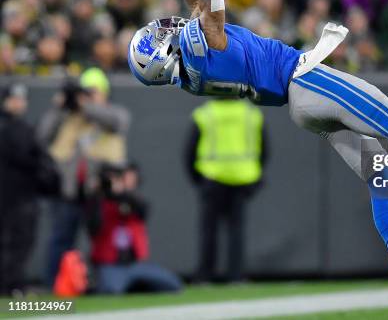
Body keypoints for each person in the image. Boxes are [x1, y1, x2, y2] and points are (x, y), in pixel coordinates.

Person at [124, 0, 388, 310]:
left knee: (379, 175)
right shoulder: (200, 47)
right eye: (159, 35)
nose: (166, 27)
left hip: (299, 108)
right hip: (304, 78)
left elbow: (196, 1)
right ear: (163, 55)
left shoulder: (192, 74)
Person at [38, 68, 131, 287]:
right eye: (85, 92)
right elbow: (42, 135)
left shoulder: (113, 113)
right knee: (61, 239)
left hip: (100, 191)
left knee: (100, 241)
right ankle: (55, 284)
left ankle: (100, 284)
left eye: (93, 92)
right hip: (69, 189)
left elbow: (117, 122)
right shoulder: (69, 116)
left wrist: (84, 105)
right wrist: (59, 108)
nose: (88, 96)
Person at [185, 98, 267, 282]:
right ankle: (236, 275)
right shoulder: (251, 114)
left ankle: (205, 275)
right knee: (236, 231)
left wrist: (198, 179)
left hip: (211, 178)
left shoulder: (204, 114)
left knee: (209, 230)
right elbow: (264, 149)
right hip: (242, 177)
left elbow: (189, 152)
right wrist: (254, 174)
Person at [0, 83, 59, 295]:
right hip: (13, 198)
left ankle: (13, 284)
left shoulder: (23, 127)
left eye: (21, 99)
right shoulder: (11, 128)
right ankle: (11, 286)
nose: (18, 103)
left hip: (23, 195)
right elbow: (29, 157)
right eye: (14, 99)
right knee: (14, 243)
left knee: (21, 242)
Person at [87, 162, 182, 294]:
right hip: (111, 264)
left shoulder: (131, 200)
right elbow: (93, 228)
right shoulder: (97, 202)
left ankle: (135, 284)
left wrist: (122, 193)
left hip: (135, 264)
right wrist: (98, 194)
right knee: (112, 289)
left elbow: (143, 210)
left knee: (172, 284)